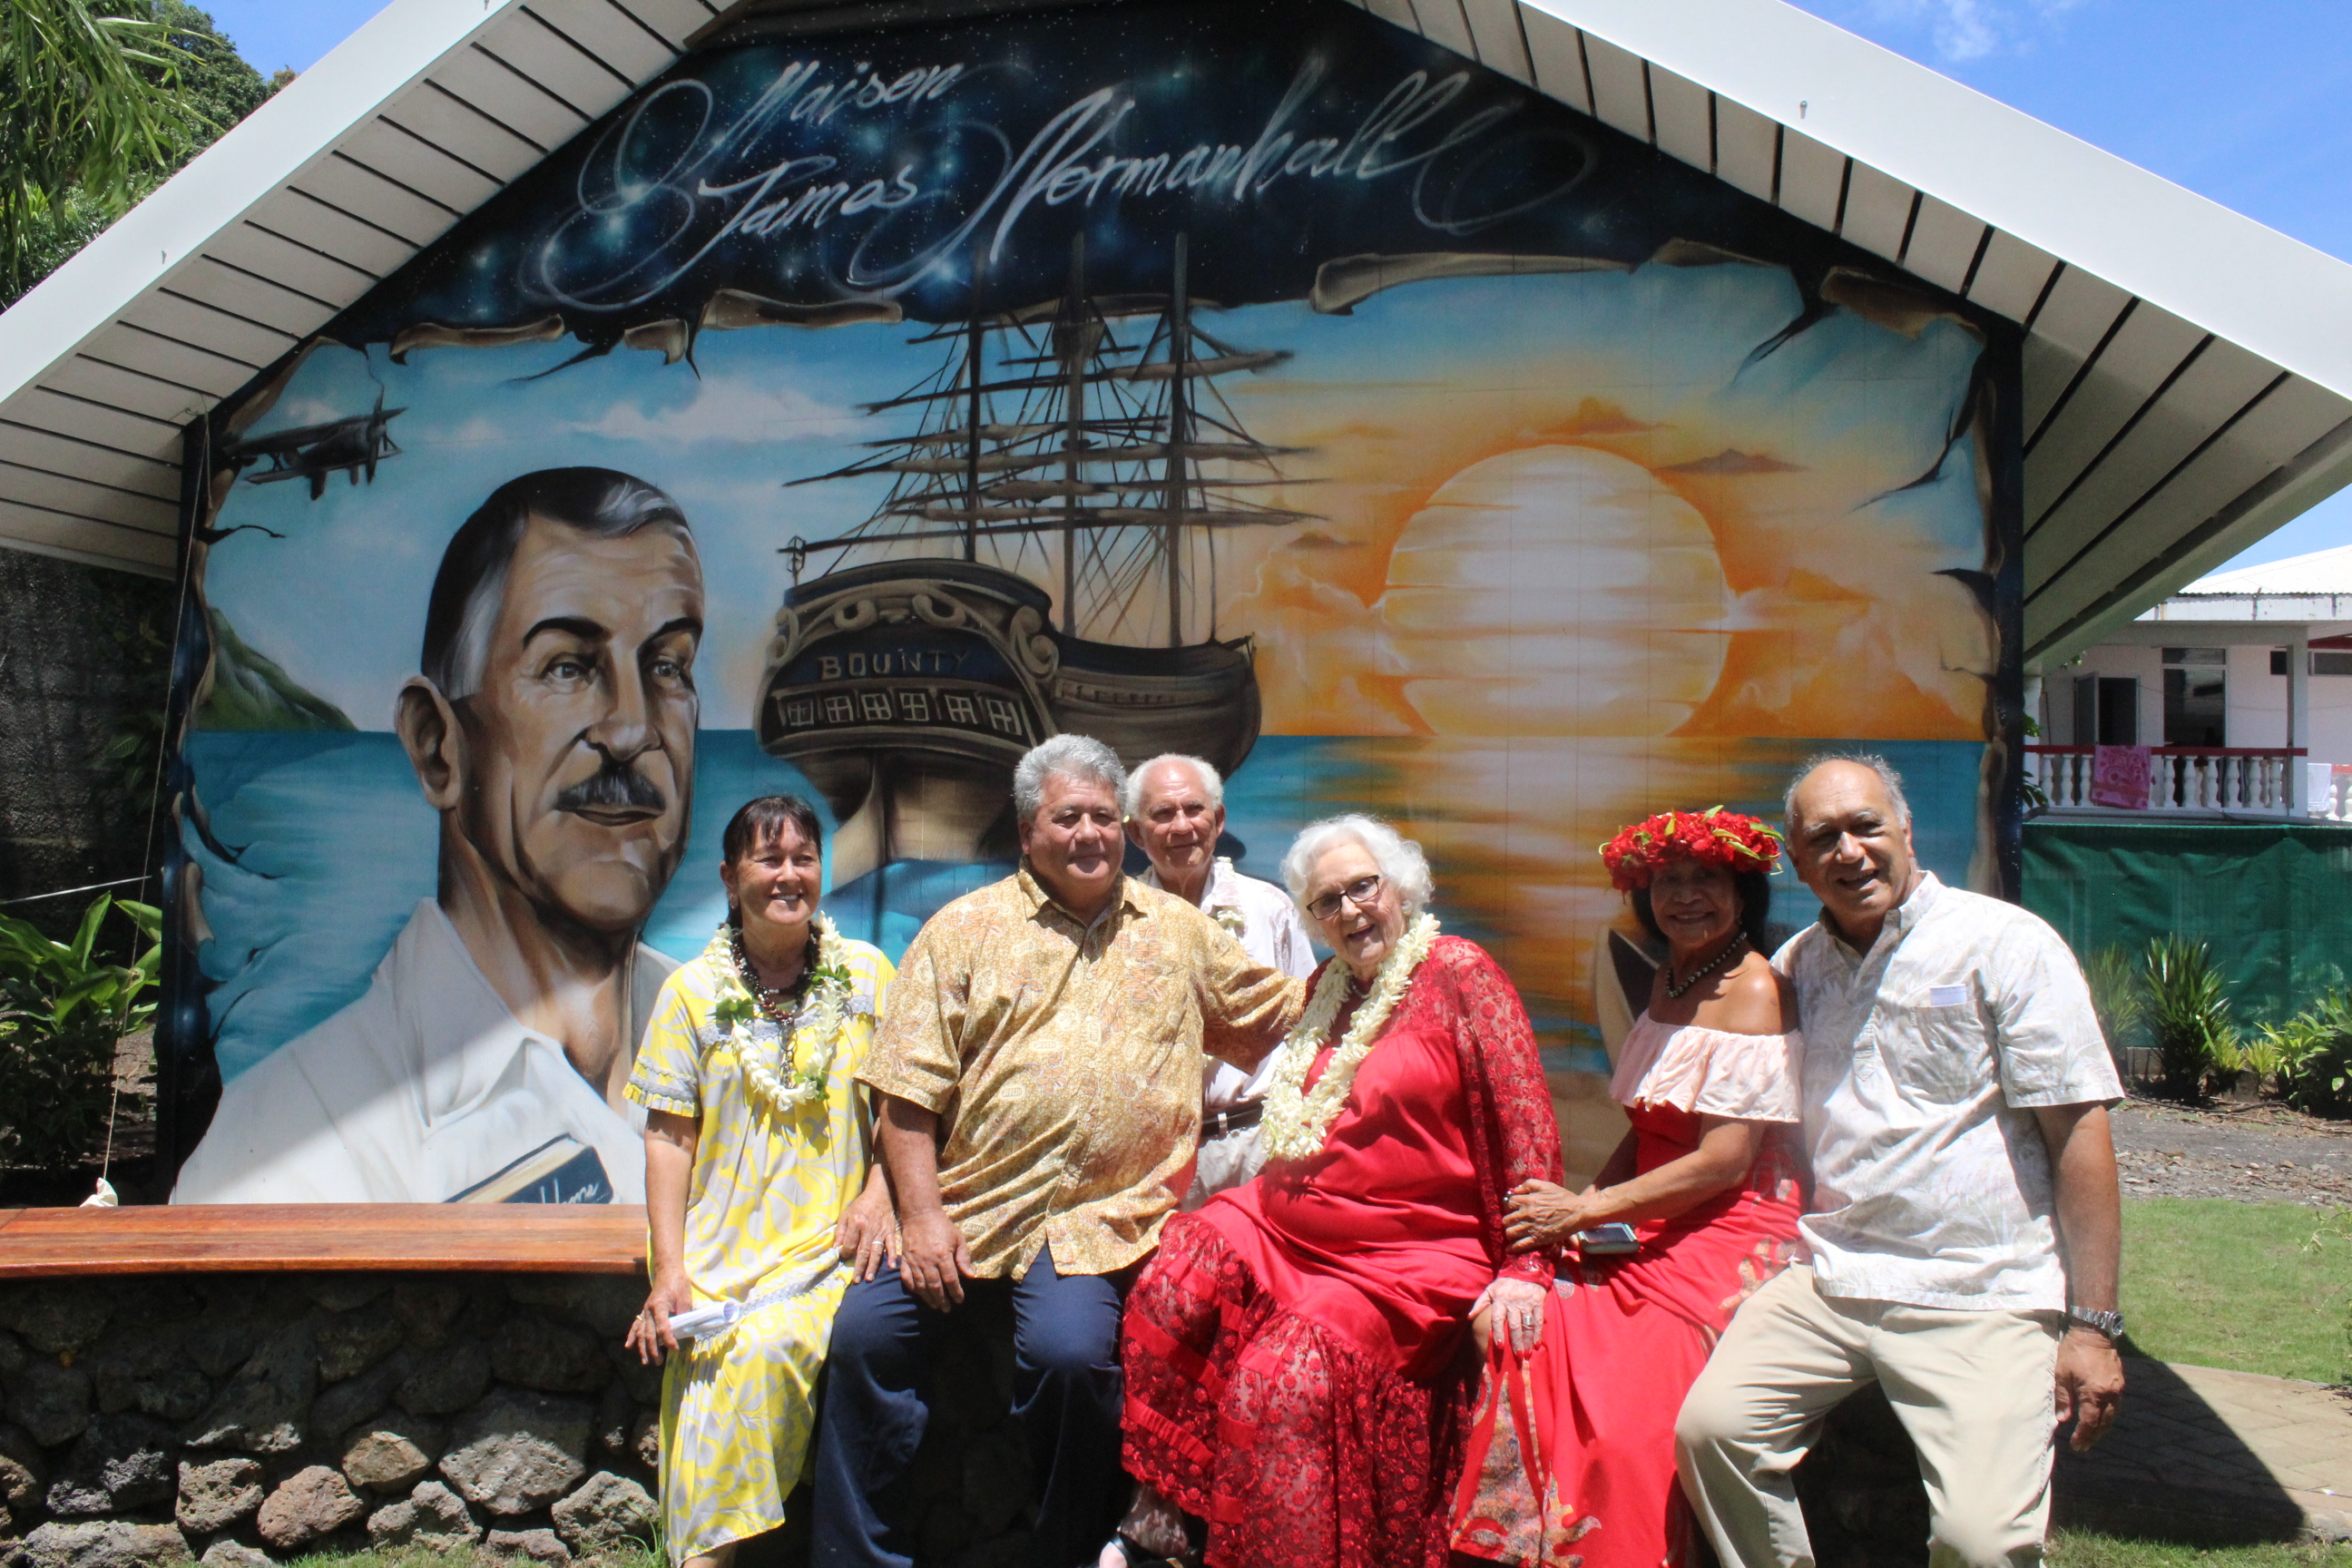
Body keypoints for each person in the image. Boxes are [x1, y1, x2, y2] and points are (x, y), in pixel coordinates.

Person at [811, 734, 1305, 1568]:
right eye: (1067, 817)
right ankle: (857, 1560)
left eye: (1105, 819)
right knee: (864, 1339)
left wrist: (1402, 967)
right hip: (965, 1202)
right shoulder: (962, 930)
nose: (1089, 835)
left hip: (1097, 1220)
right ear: (1025, 832)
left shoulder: (1179, 934)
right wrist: (919, 1214)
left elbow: (1289, 1013)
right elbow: (905, 1092)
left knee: (1074, 1361)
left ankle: (1068, 1551)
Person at [176, 468, 703, 1204]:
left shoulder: (719, 1025)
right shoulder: (299, 1136)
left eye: (669, 665)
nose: (632, 728)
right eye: (566, 666)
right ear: (437, 746)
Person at [1676, 755, 2126, 1568]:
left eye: (1866, 827)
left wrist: (2092, 1327)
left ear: (1906, 831)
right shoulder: (1796, 968)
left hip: (1980, 1288)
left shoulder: (2005, 944)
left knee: (1981, 1545)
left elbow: (2079, 1132)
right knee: (1714, 1432)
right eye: (1823, 839)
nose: (1849, 852)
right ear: (1796, 861)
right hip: (1833, 1277)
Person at [1116, 813, 1565, 1568]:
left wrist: (1526, 1267)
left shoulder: (1459, 971)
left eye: (1365, 888)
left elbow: (1525, 1120)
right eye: (1329, 902)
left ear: (1403, 889)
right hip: (1289, 1223)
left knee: (1278, 1383)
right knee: (1172, 1276)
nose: (1352, 910)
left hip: (1405, 1251)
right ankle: (1169, 1517)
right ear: (1314, 919)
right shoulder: (1325, 987)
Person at [1449, 808, 1805, 1568]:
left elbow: (1724, 1161)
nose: (1686, 897)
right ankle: (1531, 1543)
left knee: (1621, 1415)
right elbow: (1647, 1132)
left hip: (1733, 1226)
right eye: (1667, 882)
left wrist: (1585, 1209)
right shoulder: (1673, 978)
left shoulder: (1751, 991)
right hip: (1655, 1210)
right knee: (1511, 1321)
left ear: (1744, 889)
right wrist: (1577, 1218)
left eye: (1706, 879)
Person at [622, 796, 897, 1567]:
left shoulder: (868, 977)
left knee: (766, 1346)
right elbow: (669, 1138)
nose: (788, 876)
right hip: (721, 1242)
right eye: (768, 860)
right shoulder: (691, 996)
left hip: (832, 1243)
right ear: (729, 876)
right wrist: (671, 1270)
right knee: (716, 1352)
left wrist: (881, 1194)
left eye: (803, 859)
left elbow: (907, 1105)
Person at [1122, 753, 1318, 1208]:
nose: (1182, 826)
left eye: (1194, 809)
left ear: (1219, 819)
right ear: (1136, 832)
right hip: (1156, 1158)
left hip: (1260, 1145)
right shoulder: (1118, 922)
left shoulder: (1269, 908)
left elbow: (1314, 1021)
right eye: (1163, 814)